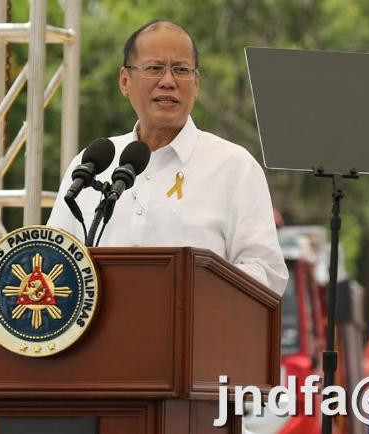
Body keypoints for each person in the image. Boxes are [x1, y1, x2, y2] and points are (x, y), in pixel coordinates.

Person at [47, 20, 287, 295]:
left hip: (196, 334)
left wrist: (182, 282)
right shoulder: (93, 164)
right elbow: (54, 264)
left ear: (196, 84)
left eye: (181, 70)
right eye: (155, 68)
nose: (168, 82)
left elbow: (266, 274)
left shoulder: (234, 167)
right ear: (125, 81)